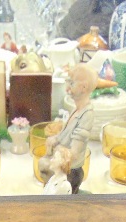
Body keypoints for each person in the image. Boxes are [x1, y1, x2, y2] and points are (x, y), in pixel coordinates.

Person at [38, 63, 96, 194]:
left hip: (70, 170)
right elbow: (65, 135)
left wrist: (56, 148)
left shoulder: (87, 115)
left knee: (43, 165)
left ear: (84, 88)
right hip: (62, 163)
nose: (67, 88)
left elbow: (73, 153)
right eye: (67, 83)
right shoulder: (76, 110)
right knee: (42, 163)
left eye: (72, 84)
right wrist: (56, 138)